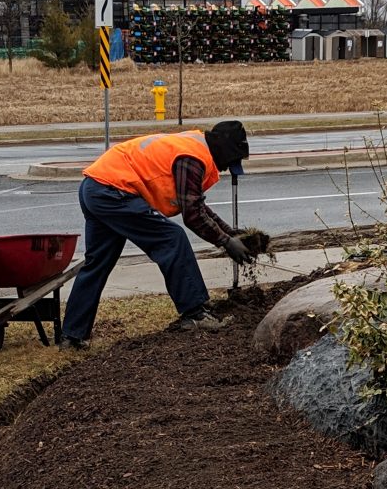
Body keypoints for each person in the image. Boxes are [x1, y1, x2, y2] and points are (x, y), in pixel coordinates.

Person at [59, 120, 267, 348]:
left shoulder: (192, 146)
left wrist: (231, 234)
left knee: (97, 263)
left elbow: (196, 205)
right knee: (172, 239)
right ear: (224, 150)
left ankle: (72, 335)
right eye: (230, 162)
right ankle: (194, 313)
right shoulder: (192, 158)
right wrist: (226, 242)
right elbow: (193, 216)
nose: (226, 169)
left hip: (95, 187)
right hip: (114, 192)